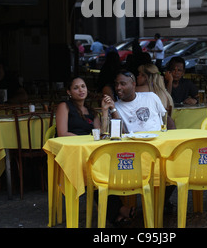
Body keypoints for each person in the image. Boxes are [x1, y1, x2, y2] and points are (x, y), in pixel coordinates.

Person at [56, 77, 134, 226]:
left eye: (83, 86)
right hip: (71, 154)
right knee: (95, 174)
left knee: (103, 172)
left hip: (89, 153)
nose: (81, 90)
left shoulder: (91, 111)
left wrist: (105, 111)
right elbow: (62, 132)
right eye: (76, 87)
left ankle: (116, 214)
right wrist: (86, 140)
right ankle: (120, 211)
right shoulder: (64, 106)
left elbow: (102, 133)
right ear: (69, 91)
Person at [136, 63, 176, 129]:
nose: (137, 77)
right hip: (164, 128)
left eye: (139, 74)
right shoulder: (164, 92)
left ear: (145, 77)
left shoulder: (138, 91)